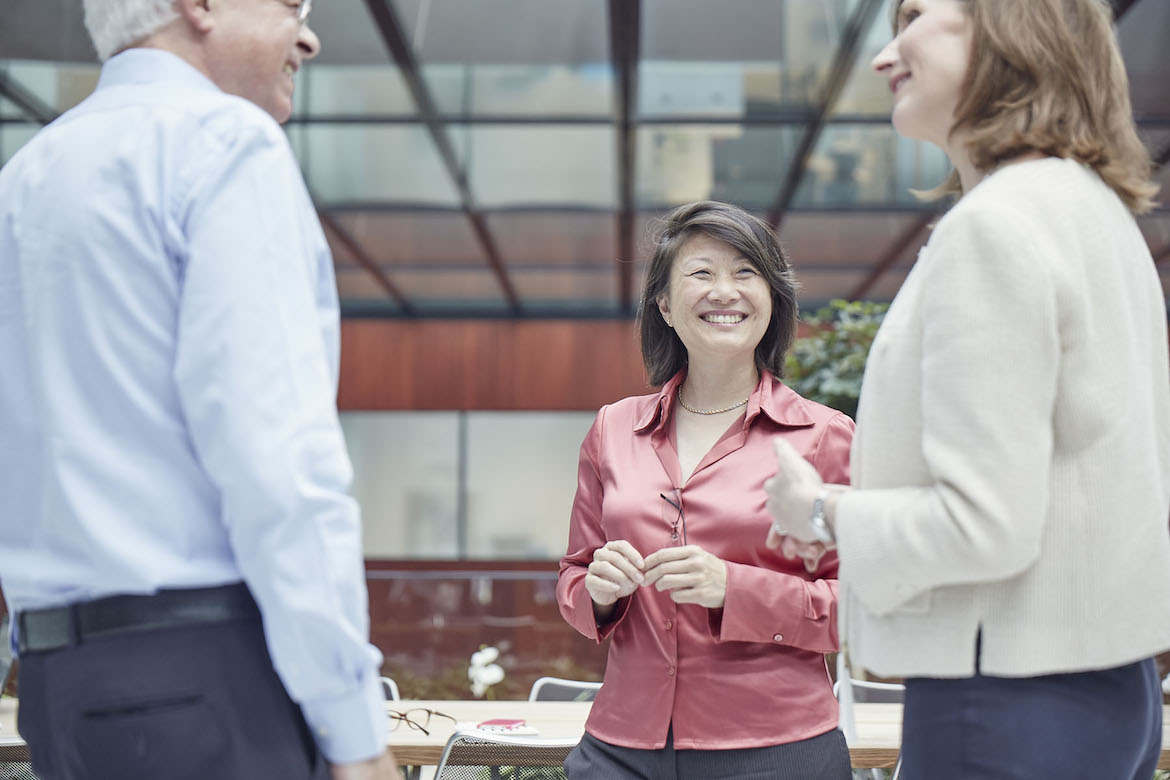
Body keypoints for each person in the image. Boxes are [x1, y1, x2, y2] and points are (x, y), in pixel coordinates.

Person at [764, 1, 1170, 777]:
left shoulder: (994, 227)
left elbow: (985, 526)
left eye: (915, 14)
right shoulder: (1097, 214)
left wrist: (817, 511)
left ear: (1011, 24)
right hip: (1111, 687)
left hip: (1005, 701)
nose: (885, 59)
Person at [0, 1, 400, 778]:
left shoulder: (21, 181)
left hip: (58, 694)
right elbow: (278, 464)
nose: (309, 36)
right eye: (291, 4)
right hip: (210, 687)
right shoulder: (224, 144)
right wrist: (357, 734)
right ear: (201, 5)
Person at [557, 201, 856, 779]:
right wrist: (597, 591)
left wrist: (736, 590)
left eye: (747, 273)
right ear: (665, 306)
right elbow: (573, 573)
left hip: (776, 749)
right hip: (621, 748)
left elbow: (866, 606)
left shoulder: (824, 436)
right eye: (701, 273)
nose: (726, 291)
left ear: (773, 302)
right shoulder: (612, 429)